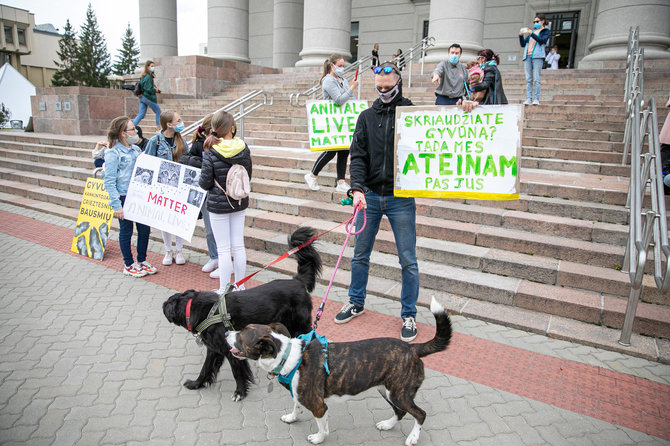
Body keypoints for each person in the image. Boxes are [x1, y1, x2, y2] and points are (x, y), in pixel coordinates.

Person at [334, 62, 477, 342]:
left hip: (401, 199)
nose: (384, 91)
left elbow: (446, 127)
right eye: (380, 88)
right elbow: (358, 155)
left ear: (399, 83)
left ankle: (408, 314)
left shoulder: (415, 114)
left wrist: (465, 110)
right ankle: (356, 301)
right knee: (360, 254)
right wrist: (357, 189)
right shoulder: (365, 117)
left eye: (389, 87)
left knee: (408, 260)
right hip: (370, 197)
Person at [198, 110, 252, 294]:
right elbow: (247, 176)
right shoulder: (243, 147)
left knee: (223, 249)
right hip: (239, 201)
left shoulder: (210, 151)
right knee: (239, 245)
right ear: (233, 128)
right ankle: (240, 285)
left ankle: (223, 288)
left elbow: (205, 182)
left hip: (217, 204)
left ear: (214, 129)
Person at [103, 116, 157, 278]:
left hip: (139, 196)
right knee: (126, 231)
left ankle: (142, 260)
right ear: (123, 133)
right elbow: (109, 181)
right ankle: (128, 263)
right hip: (124, 197)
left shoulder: (136, 150)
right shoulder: (113, 153)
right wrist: (116, 206)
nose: (136, 131)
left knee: (144, 229)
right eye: (132, 129)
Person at [304, 54, 359, 193]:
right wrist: (352, 88)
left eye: (343, 66)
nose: (342, 68)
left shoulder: (343, 80)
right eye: (339, 66)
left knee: (344, 150)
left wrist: (351, 93)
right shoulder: (328, 81)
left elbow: (351, 98)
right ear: (332, 65)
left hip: (344, 121)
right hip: (332, 121)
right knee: (331, 151)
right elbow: (339, 100)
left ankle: (341, 181)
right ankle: (312, 175)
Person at [144, 110, 190, 266]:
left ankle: (179, 250)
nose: (181, 122)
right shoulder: (155, 141)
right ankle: (168, 250)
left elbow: (188, 161)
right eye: (178, 120)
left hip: (179, 187)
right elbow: (148, 162)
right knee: (165, 220)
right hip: (162, 187)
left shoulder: (181, 141)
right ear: (168, 124)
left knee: (178, 218)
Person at [180, 114, 220, 278]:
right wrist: (204, 164)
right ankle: (214, 257)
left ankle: (224, 261)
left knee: (221, 230)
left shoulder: (223, 144)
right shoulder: (198, 144)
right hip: (204, 192)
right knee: (210, 229)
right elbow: (186, 159)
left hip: (219, 193)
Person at [519, 14, 550, 105]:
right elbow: (523, 44)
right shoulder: (532, 33)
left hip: (537, 56)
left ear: (543, 21)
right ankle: (529, 98)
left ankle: (536, 98)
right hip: (527, 56)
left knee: (537, 78)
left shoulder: (545, 31)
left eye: (537, 21)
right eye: (534, 22)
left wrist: (531, 33)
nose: (535, 23)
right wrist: (520, 35)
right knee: (528, 78)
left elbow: (542, 40)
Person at [133, 60, 162, 129]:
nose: (153, 68)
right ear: (147, 67)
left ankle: (131, 127)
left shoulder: (143, 75)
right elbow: (148, 89)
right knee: (158, 111)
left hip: (141, 97)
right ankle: (158, 128)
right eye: (152, 66)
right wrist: (155, 90)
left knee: (141, 114)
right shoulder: (148, 77)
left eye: (153, 66)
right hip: (147, 97)